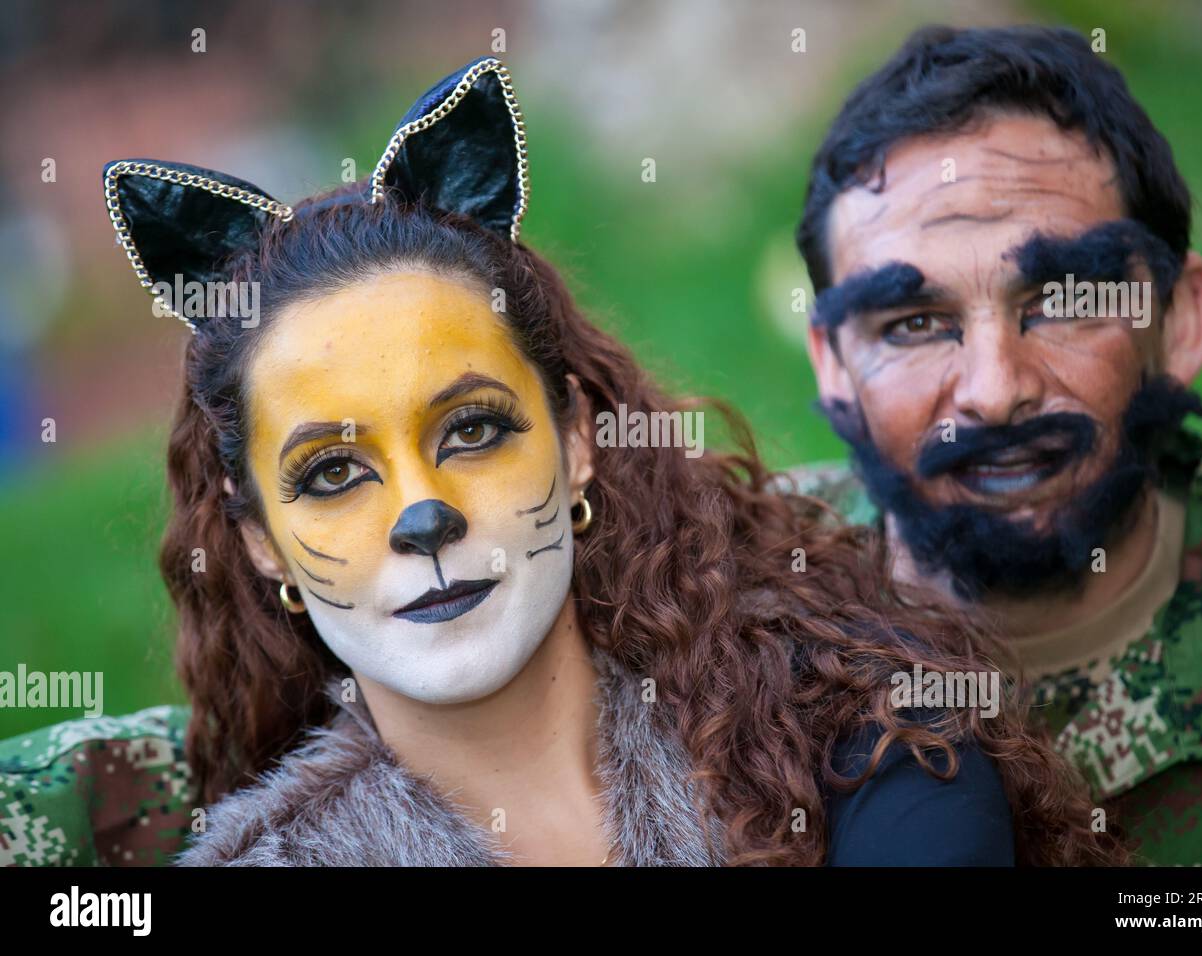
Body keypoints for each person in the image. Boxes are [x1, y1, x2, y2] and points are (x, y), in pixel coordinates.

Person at [1, 57, 1117, 867]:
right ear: (257, 542)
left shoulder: (865, 742)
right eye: (333, 473)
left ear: (579, 441)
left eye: (473, 429)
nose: (423, 514)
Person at [793, 25, 1202, 865]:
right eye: (916, 324)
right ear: (834, 363)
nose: (995, 390)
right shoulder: (708, 613)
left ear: (1178, 320)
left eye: (1061, 302)